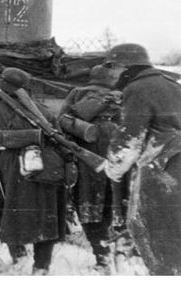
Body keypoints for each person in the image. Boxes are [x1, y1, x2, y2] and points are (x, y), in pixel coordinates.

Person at [0, 67, 66, 274]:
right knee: (46, 215)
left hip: (14, 172)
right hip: (46, 169)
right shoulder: (45, 111)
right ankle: (41, 266)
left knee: (13, 215)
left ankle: (19, 258)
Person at [104, 43, 181, 275]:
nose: (109, 73)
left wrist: (112, 167)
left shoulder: (137, 88)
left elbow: (130, 138)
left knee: (155, 232)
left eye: (111, 67)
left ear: (124, 66)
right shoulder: (172, 85)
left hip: (162, 169)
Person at [59, 64, 123, 271]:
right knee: (114, 201)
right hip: (117, 149)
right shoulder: (120, 96)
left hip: (87, 151)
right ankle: (118, 254)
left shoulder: (78, 93)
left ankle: (101, 256)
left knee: (87, 202)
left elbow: (63, 121)